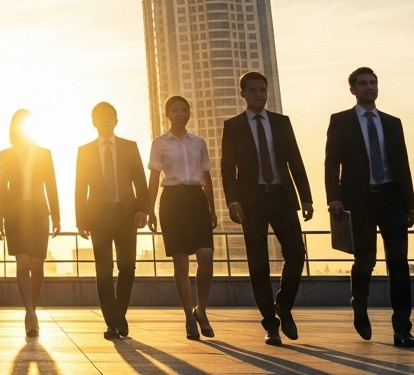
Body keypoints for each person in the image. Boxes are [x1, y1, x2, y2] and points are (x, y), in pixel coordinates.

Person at [325, 67, 414, 348]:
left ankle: (402, 328)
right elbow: (332, 163)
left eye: (373, 83)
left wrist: (410, 205)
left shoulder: (392, 122)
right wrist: (334, 198)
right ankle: (360, 305)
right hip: (359, 200)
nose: (369, 87)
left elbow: (402, 164)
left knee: (399, 264)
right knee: (365, 260)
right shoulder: (340, 121)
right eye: (363, 84)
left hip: (392, 198)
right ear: (352, 89)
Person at [221, 73, 312, 346]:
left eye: (263, 90)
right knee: (258, 263)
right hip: (252, 201)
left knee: (296, 252)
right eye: (253, 90)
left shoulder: (281, 123)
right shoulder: (233, 126)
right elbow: (227, 169)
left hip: (282, 197)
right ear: (243, 94)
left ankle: (283, 305)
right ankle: (270, 325)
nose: (259, 94)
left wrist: (306, 198)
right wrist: (232, 201)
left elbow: (295, 160)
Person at [75, 101, 148, 341]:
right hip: (99, 216)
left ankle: (119, 315)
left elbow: (140, 181)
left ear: (116, 120)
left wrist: (143, 210)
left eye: (110, 117)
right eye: (100, 117)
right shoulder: (84, 151)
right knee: (103, 270)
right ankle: (112, 322)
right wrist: (81, 219)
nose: (105, 121)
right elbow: (80, 187)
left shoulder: (129, 146)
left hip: (126, 214)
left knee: (127, 267)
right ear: (93, 122)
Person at [145, 96, 217, 341]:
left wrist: (212, 207)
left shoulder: (198, 142)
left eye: (184, 110)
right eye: (175, 110)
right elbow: (154, 178)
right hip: (172, 201)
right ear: (167, 114)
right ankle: (188, 314)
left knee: (206, 257)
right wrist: (149, 209)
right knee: (181, 263)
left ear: (189, 113)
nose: (180, 113)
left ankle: (201, 309)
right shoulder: (159, 143)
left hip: (196, 199)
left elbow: (207, 177)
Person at [0, 109, 59, 337]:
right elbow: (1, 188)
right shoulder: (6, 155)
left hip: (39, 213)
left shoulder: (44, 153)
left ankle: (32, 308)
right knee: (22, 263)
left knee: (37, 267)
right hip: (15, 215)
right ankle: (30, 312)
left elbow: (51, 186)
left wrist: (57, 216)